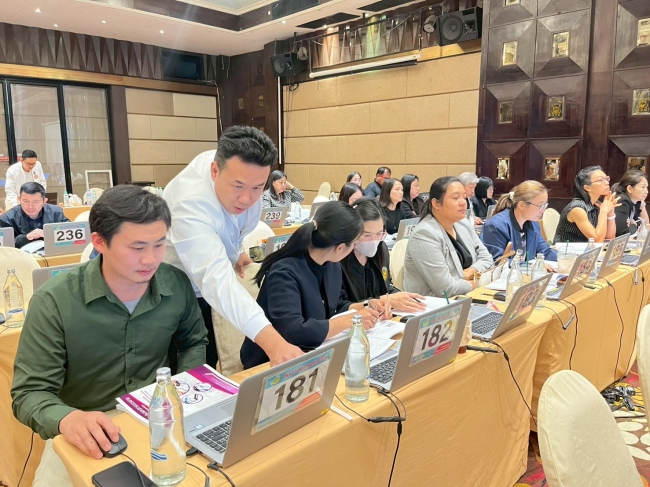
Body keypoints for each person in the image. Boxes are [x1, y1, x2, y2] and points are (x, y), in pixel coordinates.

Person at [11, 185, 208, 486]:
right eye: (137, 248)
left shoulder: (176, 284)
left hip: (160, 421)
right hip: (87, 432)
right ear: (99, 242)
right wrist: (67, 419)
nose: (151, 260)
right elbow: (29, 392)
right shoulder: (54, 301)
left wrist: (181, 392)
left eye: (159, 245)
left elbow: (193, 342)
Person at [163, 126, 302, 369]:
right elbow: (216, 281)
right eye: (238, 186)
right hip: (174, 287)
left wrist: (235, 252)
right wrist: (274, 344)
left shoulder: (238, 169)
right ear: (214, 171)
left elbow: (231, 227)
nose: (247, 199)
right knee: (185, 367)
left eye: (257, 187)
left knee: (209, 354)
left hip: (210, 286)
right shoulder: (190, 204)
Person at [240, 201, 381, 369]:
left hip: (313, 353)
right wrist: (350, 320)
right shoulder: (284, 272)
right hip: (271, 363)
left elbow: (336, 305)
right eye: (354, 243)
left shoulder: (332, 264)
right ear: (340, 248)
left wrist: (366, 306)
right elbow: (293, 331)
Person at [403, 177, 493, 298]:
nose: (463, 202)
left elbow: (487, 259)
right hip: (435, 305)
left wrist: (468, 272)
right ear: (436, 203)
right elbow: (446, 289)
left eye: (464, 197)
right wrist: (478, 282)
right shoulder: (424, 234)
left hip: (465, 296)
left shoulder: (463, 224)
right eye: (455, 198)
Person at [341, 198, 426, 312]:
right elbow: (339, 306)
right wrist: (382, 302)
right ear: (352, 232)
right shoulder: (338, 259)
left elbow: (384, 289)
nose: (374, 240)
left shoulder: (381, 249)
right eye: (367, 235)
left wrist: (403, 298)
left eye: (379, 234)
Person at [481, 181, 557, 262]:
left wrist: (564, 258)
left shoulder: (533, 224)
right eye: (540, 206)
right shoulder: (496, 226)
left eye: (545, 205)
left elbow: (545, 251)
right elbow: (496, 261)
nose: (543, 211)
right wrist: (531, 266)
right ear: (521, 205)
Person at [554, 166, 619, 243]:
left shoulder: (596, 204)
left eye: (606, 179)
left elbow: (609, 237)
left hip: (586, 249)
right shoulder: (577, 209)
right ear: (587, 187)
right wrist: (603, 212)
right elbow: (597, 241)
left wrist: (610, 213)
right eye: (600, 180)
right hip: (566, 249)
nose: (607, 182)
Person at [0, 182, 69, 248]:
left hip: (52, 253)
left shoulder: (56, 212)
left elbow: (70, 234)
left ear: (44, 201)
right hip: (21, 255)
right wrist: (26, 237)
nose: (30, 206)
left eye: (36, 202)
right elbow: (4, 246)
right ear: (19, 199)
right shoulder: (7, 218)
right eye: (26, 201)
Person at [612, 170, 649, 236]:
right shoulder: (622, 200)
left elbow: (646, 228)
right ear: (630, 189)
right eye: (643, 187)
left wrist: (642, 206)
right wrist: (634, 225)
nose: (647, 191)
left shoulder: (636, 202)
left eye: (646, 187)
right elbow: (623, 233)